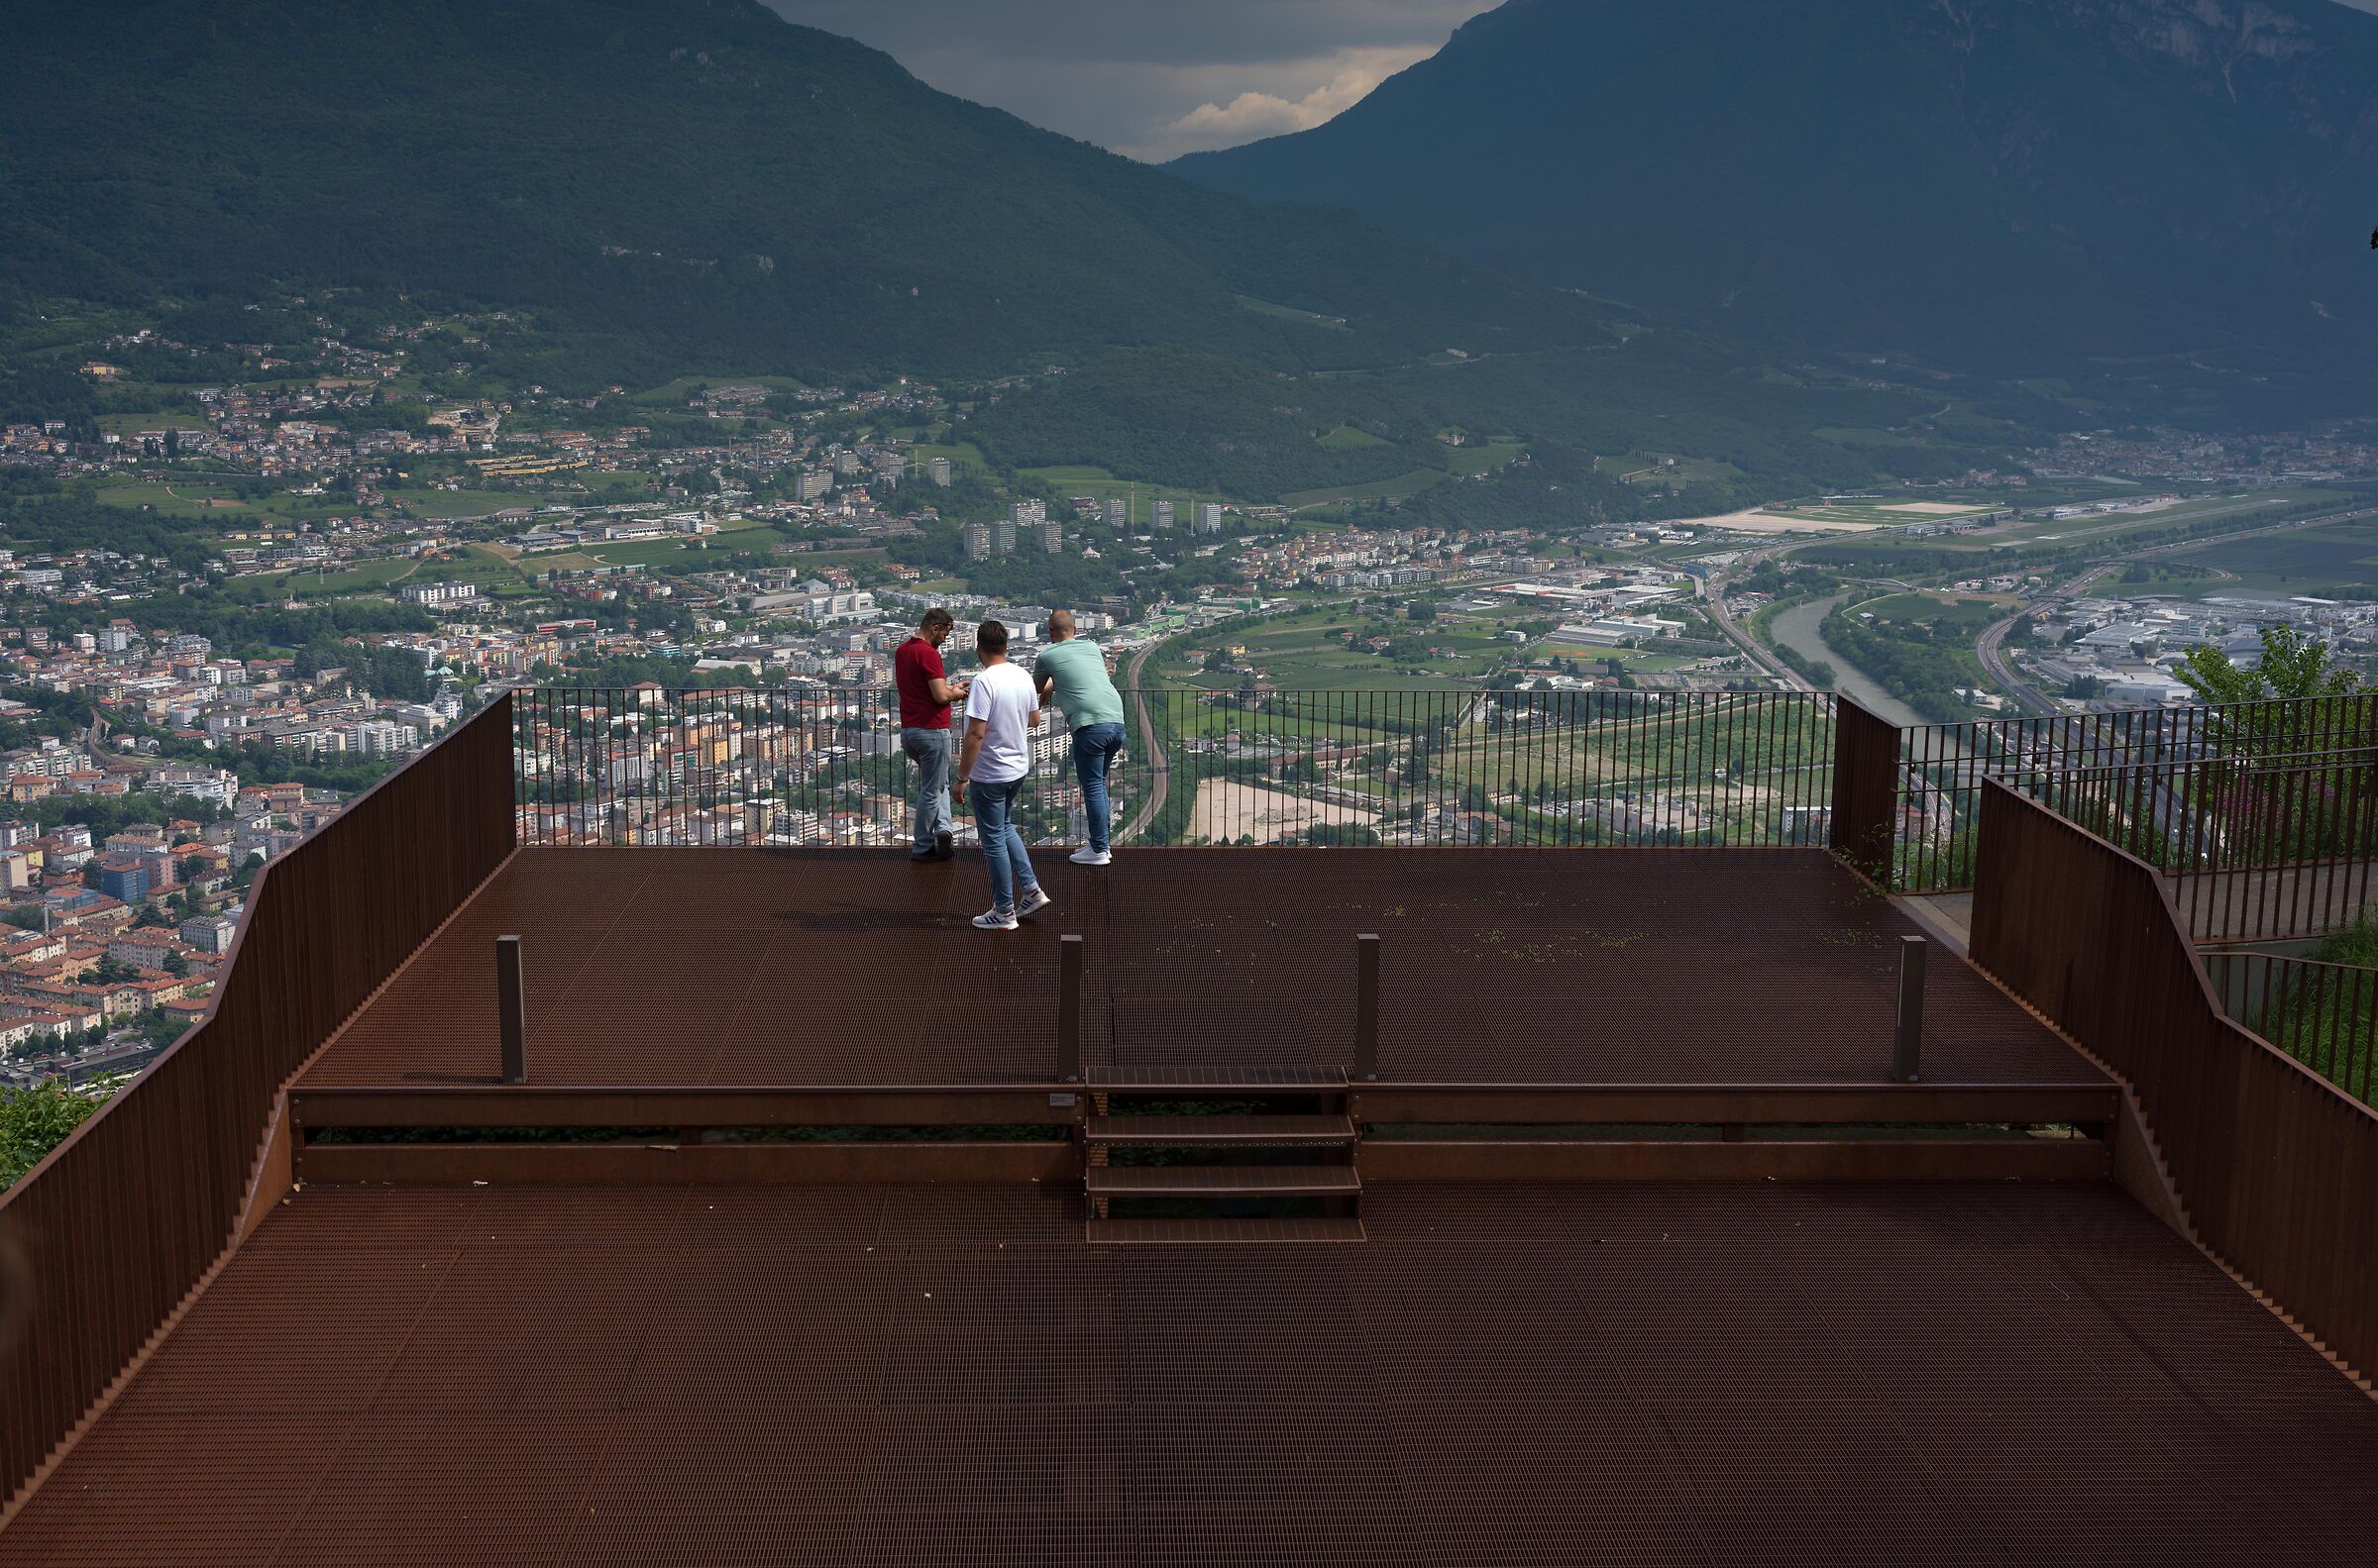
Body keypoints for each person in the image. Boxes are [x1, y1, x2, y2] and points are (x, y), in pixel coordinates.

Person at [953, 619, 1050, 930]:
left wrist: (962, 777)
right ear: (1006, 646)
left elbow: (975, 734)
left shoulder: (984, 682)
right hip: (1018, 767)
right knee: (1004, 827)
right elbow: (1034, 719)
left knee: (992, 839)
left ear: (979, 647)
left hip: (990, 771)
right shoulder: (1022, 675)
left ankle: (1004, 911)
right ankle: (1032, 890)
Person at [1034, 610, 1127, 866]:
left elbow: (1037, 689)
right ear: (1075, 630)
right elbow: (1080, 676)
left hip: (1090, 727)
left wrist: (1049, 689)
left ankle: (1098, 849)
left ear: (1050, 632)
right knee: (1098, 785)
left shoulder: (1046, 655)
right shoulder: (1091, 646)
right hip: (1116, 721)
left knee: (1093, 787)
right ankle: (1101, 845)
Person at [893, 608, 968, 862]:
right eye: (945, 633)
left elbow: (925, 689)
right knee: (931, 791)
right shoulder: (929, 654)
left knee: (938, 784)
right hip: (932, 731)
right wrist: (955, 694)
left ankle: (944, 829)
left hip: (910, 731)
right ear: (935, 627)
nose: (945, 639)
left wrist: (949, 688)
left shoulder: (903, 650)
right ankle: (923, 846)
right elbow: (939, 696)